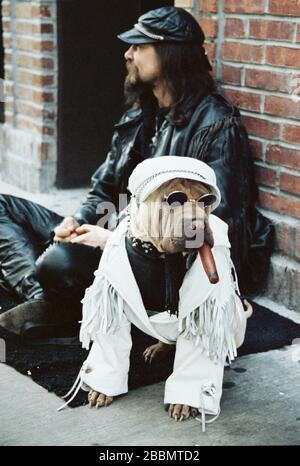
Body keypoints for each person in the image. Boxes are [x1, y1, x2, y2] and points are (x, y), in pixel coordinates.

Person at [0, 6, 273, 337]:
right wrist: (76, 223)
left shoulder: (215, 126)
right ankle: (46, 298)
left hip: (161, 259)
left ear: (170, 54)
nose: (128, 54)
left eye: (139, 46)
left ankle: (59, 300)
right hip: (116, 226)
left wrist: (114, 241)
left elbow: (208, 227)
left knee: (58, 264)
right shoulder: (141, 112)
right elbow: (104, 189)